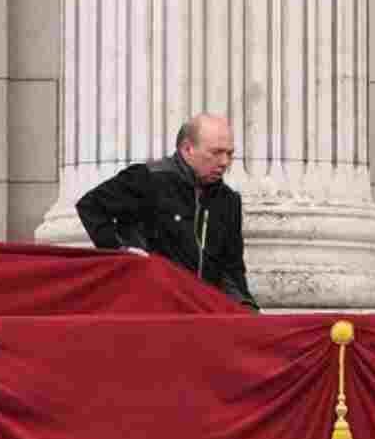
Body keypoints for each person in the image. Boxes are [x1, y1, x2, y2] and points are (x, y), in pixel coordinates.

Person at [75, 112, 257, 310]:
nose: (225, 162)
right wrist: (122, 253)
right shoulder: (147, 179)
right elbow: (90, 206)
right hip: (152, 309)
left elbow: (232, 270)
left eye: (230, 154)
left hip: (202, 313)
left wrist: (246, 307)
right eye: (216, 153)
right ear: (187, 149)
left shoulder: (229, 201)